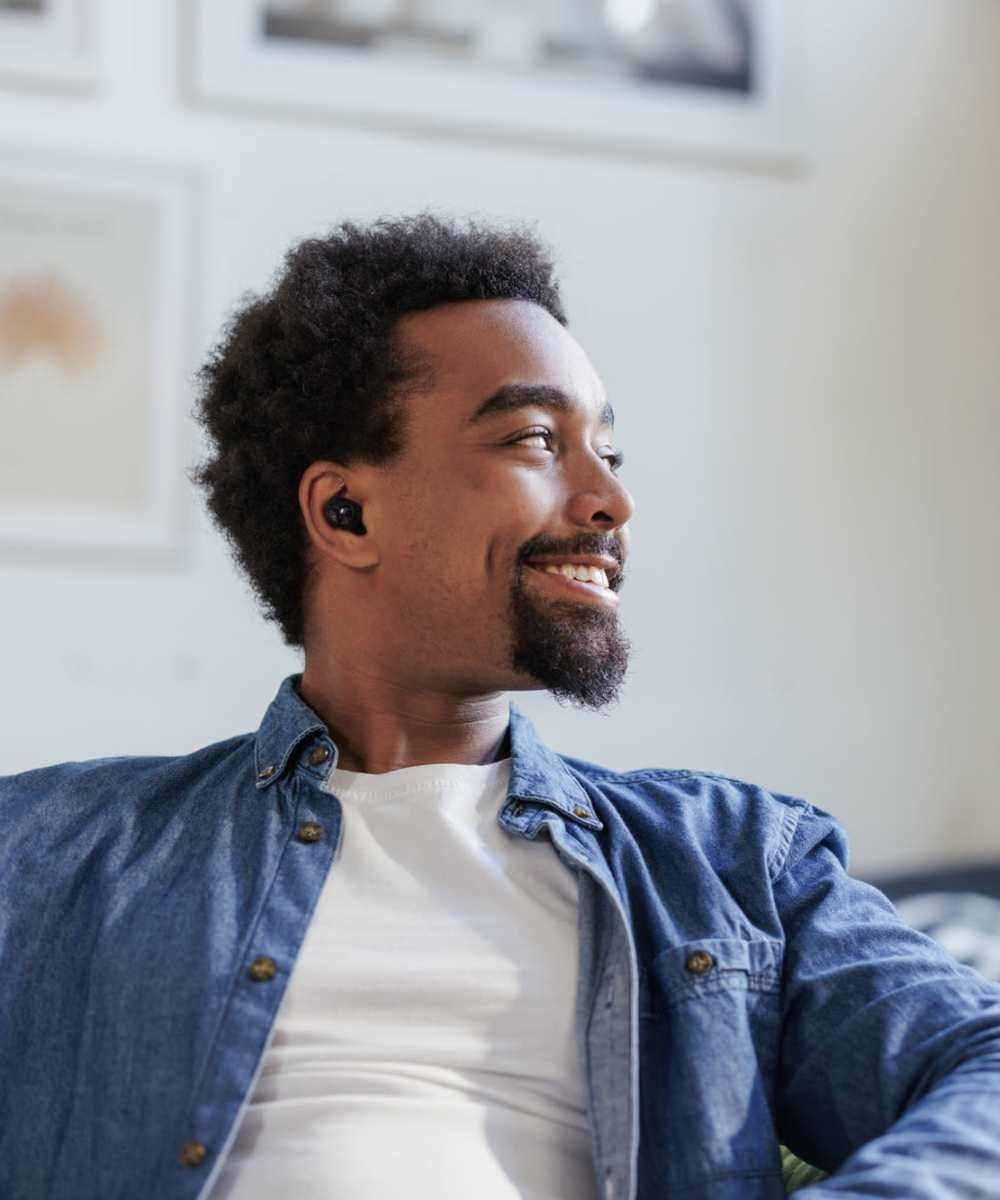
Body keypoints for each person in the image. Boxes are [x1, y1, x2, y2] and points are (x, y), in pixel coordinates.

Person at [1, 213, 997, 1200]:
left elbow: (981, 1064)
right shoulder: (45, 851)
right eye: (536, 440)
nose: (611, 501)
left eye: (608, 450)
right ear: (346, 513)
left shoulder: (730, 865)